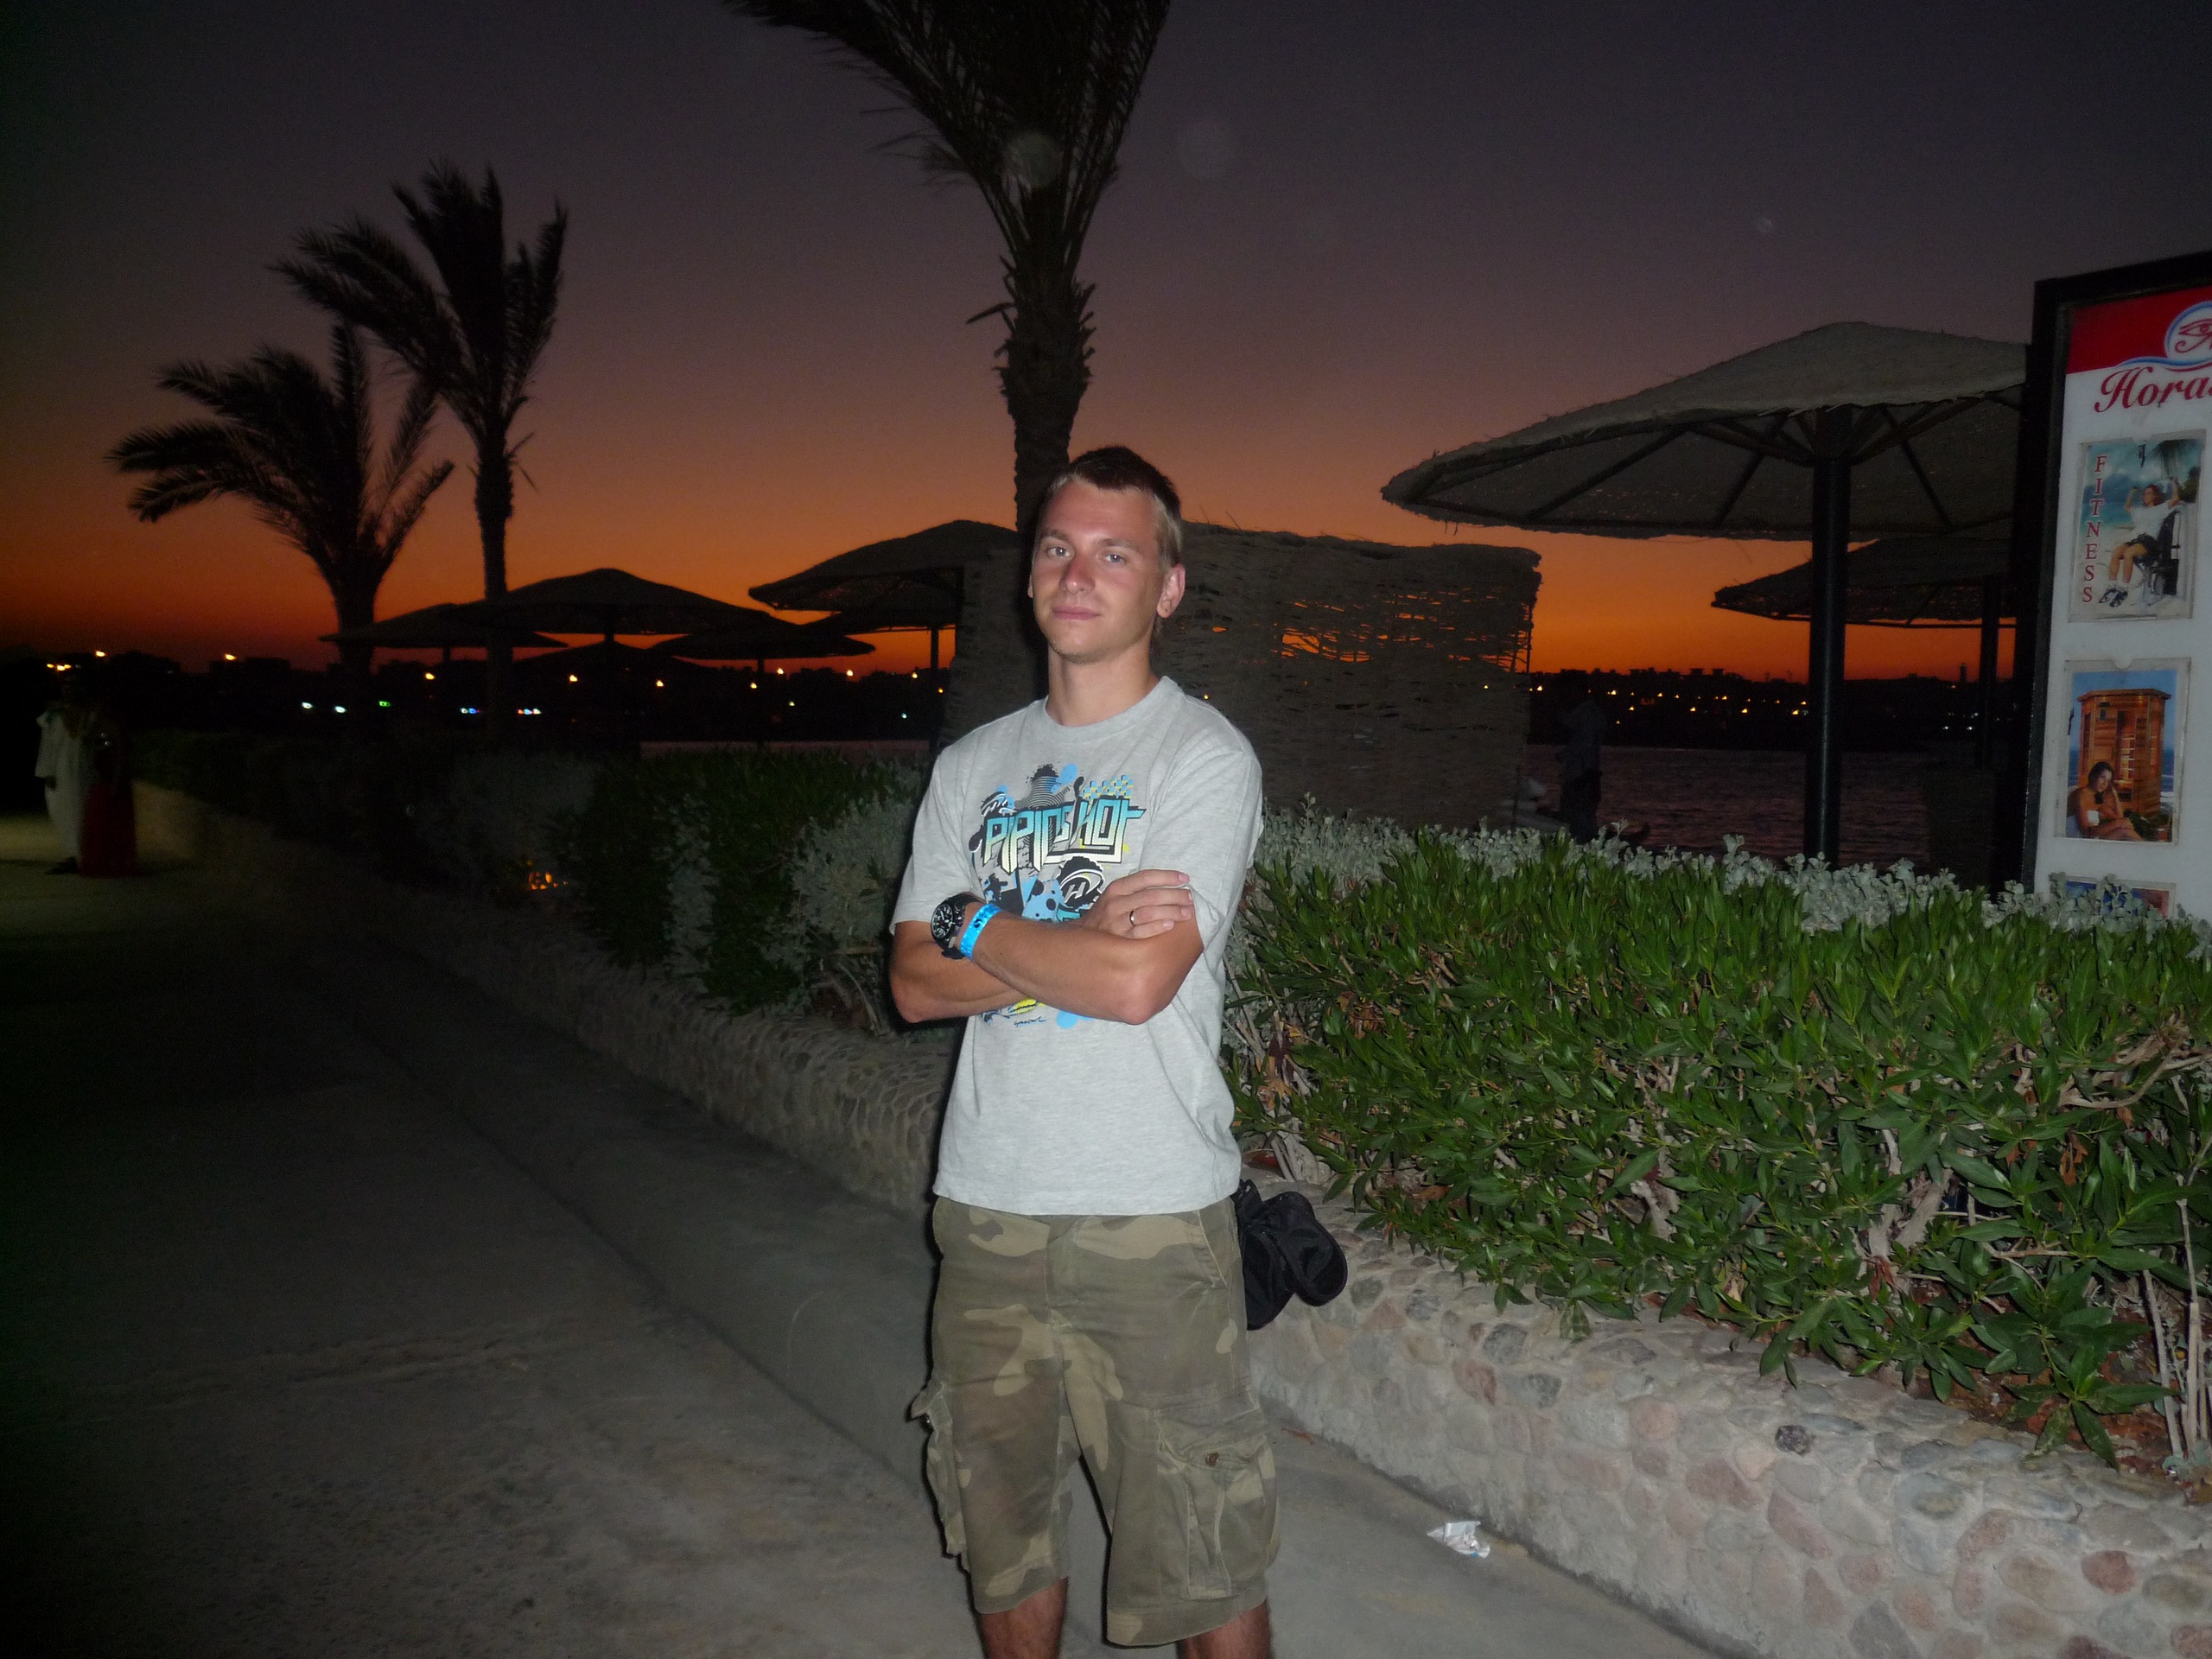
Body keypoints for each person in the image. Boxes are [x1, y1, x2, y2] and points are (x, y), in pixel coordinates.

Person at [889, 447, 1272, 1659]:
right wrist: (1068, 933)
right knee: (998, 1539)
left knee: (1204, 1561)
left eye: (1115, 553)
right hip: (986, 1210)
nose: (1077, 573)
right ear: (1028, 576)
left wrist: (974, 926)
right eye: (1057, 547)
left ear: (1167, 586)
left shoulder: (1200, 757)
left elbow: (1135, 983)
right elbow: (911, 985)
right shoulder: (969, 767)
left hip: (1150, 1220)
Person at [33, 685, 92, 874]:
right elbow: (47, 744)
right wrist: (47, 771)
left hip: (82, 767)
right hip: (61, 769)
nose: (70, 692)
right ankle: (72, 855)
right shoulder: (54, 715)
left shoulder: (89, 712)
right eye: (67, 687)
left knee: (80, 810)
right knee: (61, 810)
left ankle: (81, 856)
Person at [1554, 669, 1605, 842]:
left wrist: (1564, 755)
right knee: (1580, 819)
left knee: (1578, 821)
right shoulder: (1587, 713)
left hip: (1582, 777)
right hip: (1583, 776)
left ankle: (1586, 846)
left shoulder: (1587, 715)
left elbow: (1585, 744)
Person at [2068, 760, 2142, 841]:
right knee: (2124, 832)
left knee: (2125, 831)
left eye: (2108, 781)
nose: (2105, 783)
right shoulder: (2081, 794)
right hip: (2076, 841)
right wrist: (2118, 823)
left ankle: (2145, 846)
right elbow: (2086, 833)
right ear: (2093, 776)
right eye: (2103, 777)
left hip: (2090, 841)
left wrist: (2114, 794)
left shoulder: (2096, 798)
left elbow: (2119, 817)